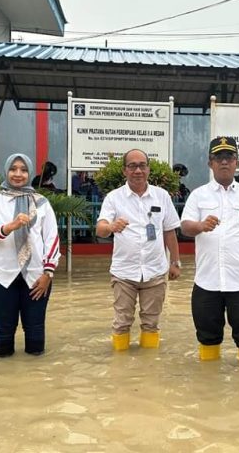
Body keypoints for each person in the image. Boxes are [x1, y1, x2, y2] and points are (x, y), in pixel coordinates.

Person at [181, 136, 239, 366]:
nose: (224, 162)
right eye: (218, 157)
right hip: (206, 283)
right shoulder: (198, 195)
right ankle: (208, 392)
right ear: (210, 163)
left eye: (229, 157)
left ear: (237, 162)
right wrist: (200, 226)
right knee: (207, 338)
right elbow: (185, 226)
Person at [96, 149, 182, 351]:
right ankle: (120, 372)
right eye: (132, 166)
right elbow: (100, 229)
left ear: (148, 169)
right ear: (125, 170)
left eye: (142, 165)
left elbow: (169, 231)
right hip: (124, 272)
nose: (138, 170)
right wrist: (111, 227)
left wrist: (175, 263)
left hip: (155, 271)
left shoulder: (161, 196)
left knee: (151, 323)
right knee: (121, 323)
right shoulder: (113, 198)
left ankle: (149, 371)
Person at [0, 153, 61, 357]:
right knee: (3, 334)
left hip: (36, 277)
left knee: (35, 334)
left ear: (30, 173)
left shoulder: (41, 203)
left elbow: (52, 239)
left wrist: (47, 274)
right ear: (6, 171)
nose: (18, 174)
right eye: (13, 169)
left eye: (23, 170)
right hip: (1, 276)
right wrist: (9, 227)